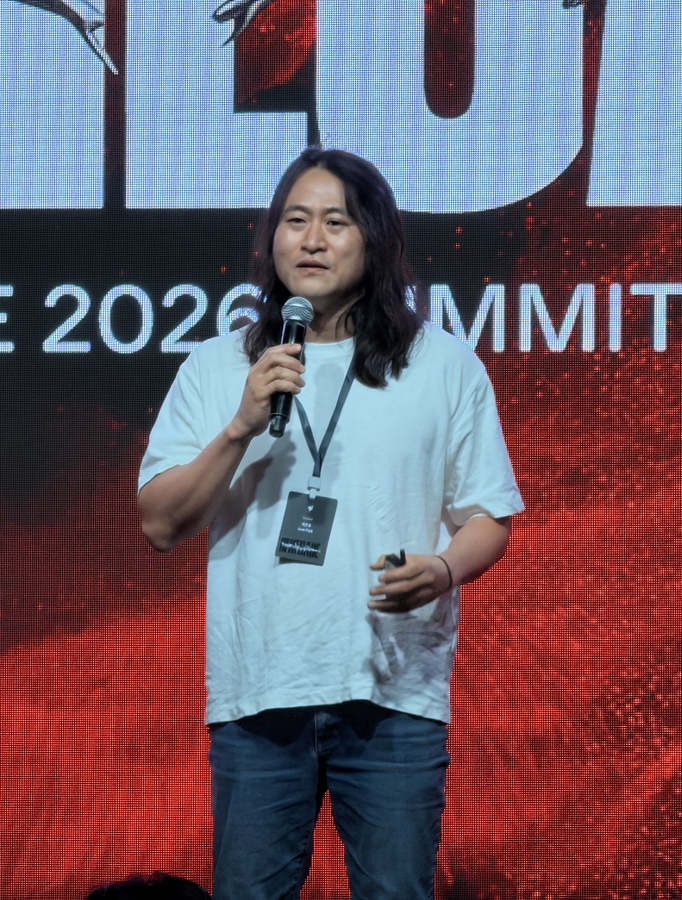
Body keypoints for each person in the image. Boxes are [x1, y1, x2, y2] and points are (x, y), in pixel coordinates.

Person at [137, 146, 523, 899]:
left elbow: (488, 513)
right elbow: (159, 522)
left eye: (335, 222)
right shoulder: (219, 367)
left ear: (375, 240)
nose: (311, 240)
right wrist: (241, 426)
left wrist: (443, 570)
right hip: (259, 696)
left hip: (393, 696)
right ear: (271, 238)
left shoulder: (441, 364)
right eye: (295, 221)